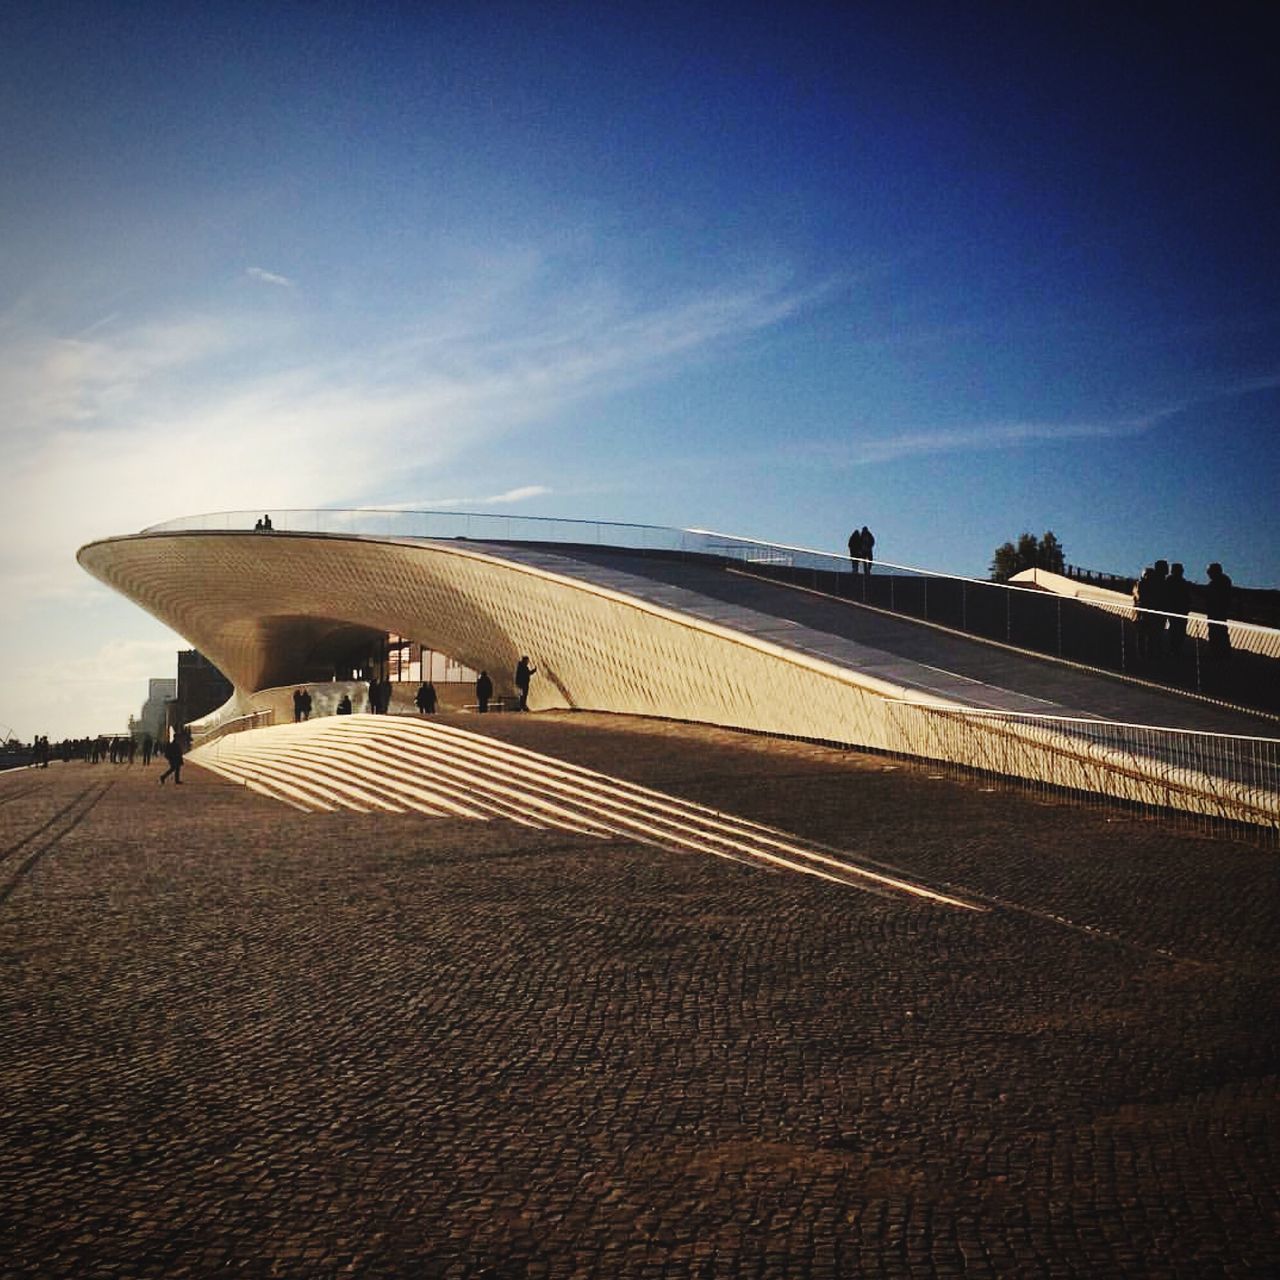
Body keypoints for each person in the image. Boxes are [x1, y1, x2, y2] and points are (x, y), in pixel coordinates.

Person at [1205, 562, 1233, 659]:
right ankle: (1222, 652)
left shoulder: (1217, 582)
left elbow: (1210, 596)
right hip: (1220, 611)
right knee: (1220, 632)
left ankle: (1219, 653)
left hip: (1216, 611)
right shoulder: (1224, 581)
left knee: (1216, 632)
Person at [1165, 563, 1191, 658]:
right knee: (1176, 630)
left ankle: (1175, 649)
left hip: (1179, 610)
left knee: (1177, 630)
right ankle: (1175, 649)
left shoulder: (1172, 581)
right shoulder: (1175, 582)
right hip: (1177, 610)